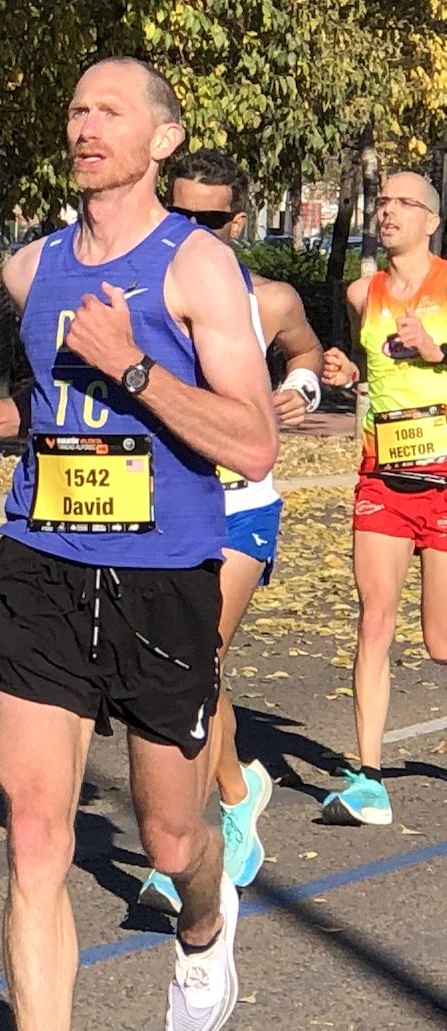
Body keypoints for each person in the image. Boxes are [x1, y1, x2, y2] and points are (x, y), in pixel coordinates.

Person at [0, 58, 277, 1031]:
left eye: (110, 112)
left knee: (169, 837)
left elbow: (252, 441)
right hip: (41, 565)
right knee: (35, 833)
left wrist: (133, 364)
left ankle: (205, 928)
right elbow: (47, 411)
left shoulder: (197, 265)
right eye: (77, 109)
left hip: (162, 578)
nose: (86, 126)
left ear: (161, 139)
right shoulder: (30, 267)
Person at [134, 149, 325, 914]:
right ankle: (240, 790)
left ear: (236, 224)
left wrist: (300, 387)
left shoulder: (269, 298)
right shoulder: (140, 291)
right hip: (167, 506)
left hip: (242, 505)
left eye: (207, 220)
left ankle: (196, 836)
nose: (190, 230)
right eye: (178, 215)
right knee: (185, 669)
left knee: (196, 656)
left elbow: (307, 351)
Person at [320, 170, 447, 826]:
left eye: (404, 204)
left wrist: (441, 350)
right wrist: (347, 376)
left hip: (446, 478)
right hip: (383, 479)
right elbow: (375, 377)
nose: (388, 211)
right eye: (384, 201)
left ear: (431, 219)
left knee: (440, 640)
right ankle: (369, 777)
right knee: (374, 619)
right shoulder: (360, 292)